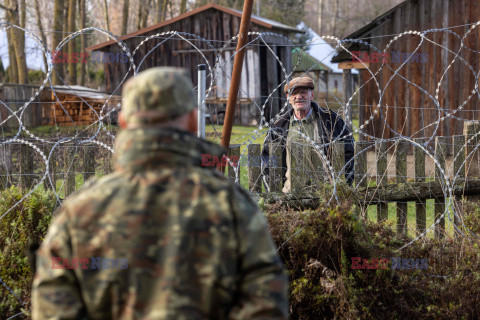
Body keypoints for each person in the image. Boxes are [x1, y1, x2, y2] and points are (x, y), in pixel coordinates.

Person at [32, 67, 289, 319]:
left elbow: (52, 307)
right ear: (192, 120)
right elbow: (266, 301)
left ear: (123, 122)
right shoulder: (230, 205)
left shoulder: (80, 212)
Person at [261, 76, 355, 193]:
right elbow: (267, 160)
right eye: (294, 93)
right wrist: (275, 192)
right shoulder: (278, 126)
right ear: (288, 98)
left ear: (312, 95)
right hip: (289, 196)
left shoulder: (331, 121)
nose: (299, 97)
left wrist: (340, 187)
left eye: (303, 92)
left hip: (325, 195)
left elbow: (350, 151)